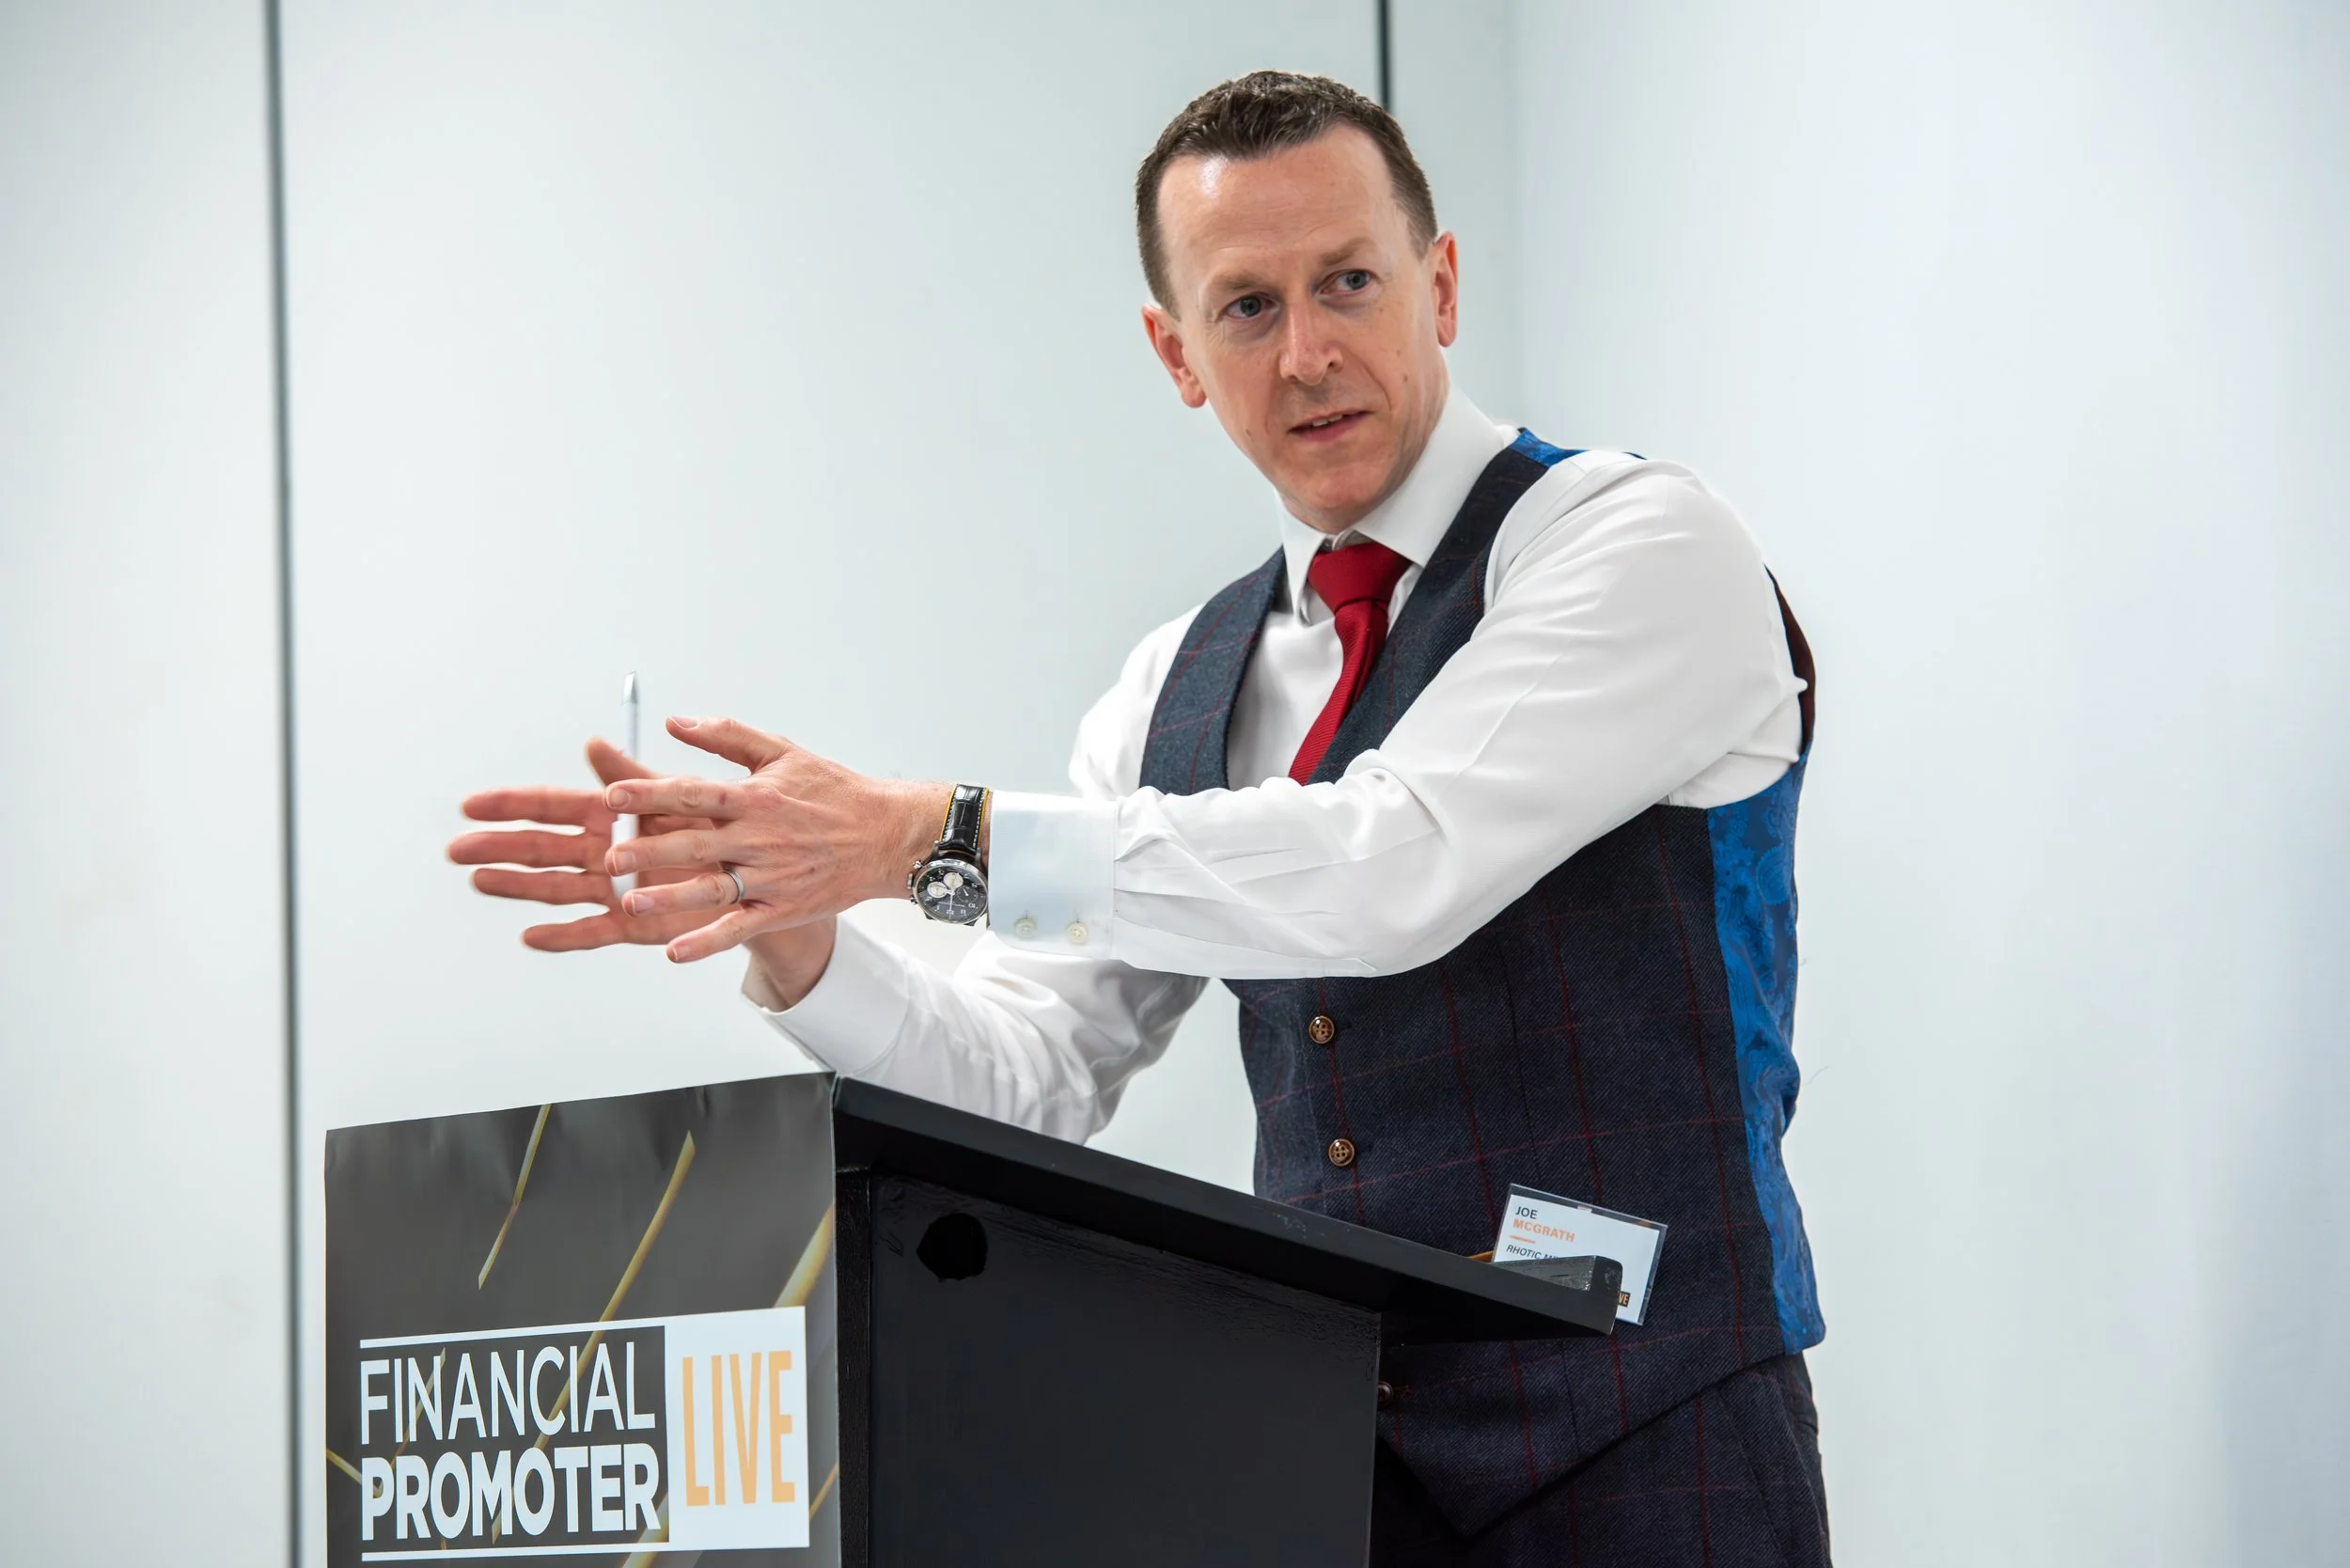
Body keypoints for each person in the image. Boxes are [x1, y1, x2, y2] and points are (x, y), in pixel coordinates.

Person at [450, 71, 1828, 1567]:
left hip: (1657, 1436)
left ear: (1438, 285)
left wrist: (921, 837)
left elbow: (1390, 867)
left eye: (1349, 282)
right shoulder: (1178, 683)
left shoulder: (1635, 545)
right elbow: (1023, 1079)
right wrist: (794, 932)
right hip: (1326, 1459)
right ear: (1177, 354)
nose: (1308, 354)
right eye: (1247, 308)